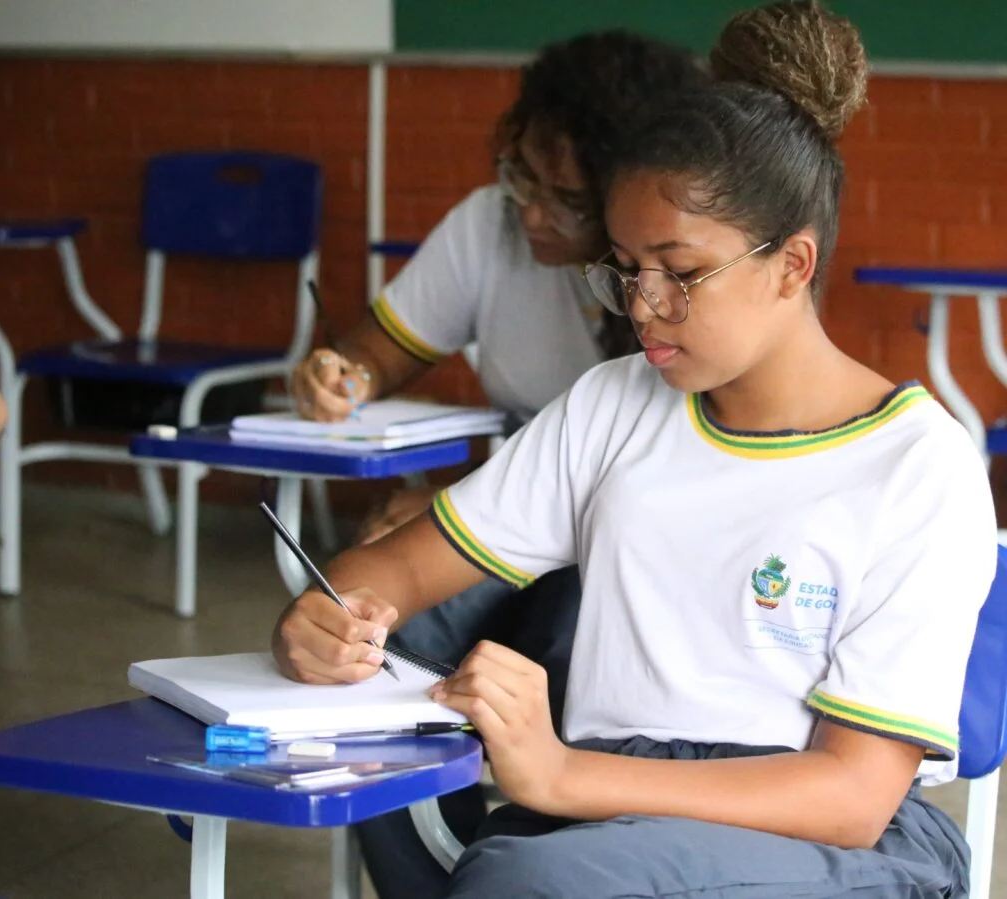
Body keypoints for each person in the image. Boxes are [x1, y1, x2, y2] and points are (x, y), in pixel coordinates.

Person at [273, 2, 997, 896]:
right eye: (624, 267)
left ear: (792, 265)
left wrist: (561, 774)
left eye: (681, 271)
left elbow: (850, 794)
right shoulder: (613, 406)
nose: (641, 305)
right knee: (478, 845)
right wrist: (329, 614)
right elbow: (398, 574)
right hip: (608, 814)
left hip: (838, 840)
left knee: (528, 882)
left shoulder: (917, 465)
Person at [292, 33, 704, 899]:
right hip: (506, 523)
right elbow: (376, 351)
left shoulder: (666, 296)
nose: (529, 212)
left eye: (565, 198)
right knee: (376, 646)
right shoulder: (488, 227)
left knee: (569, 653)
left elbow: (637, 489)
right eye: (520, 176)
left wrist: (444, 500)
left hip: (614, 547)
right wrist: (344, 376)